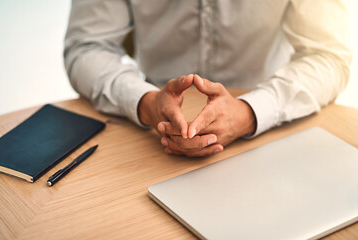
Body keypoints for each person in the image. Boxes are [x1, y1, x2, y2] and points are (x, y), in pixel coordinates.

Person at [64, 0, 351, 157]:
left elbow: (328, 56)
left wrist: (250, 111)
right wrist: (146, 102)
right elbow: (87, 46)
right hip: (150, 135)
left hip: (271, 125)